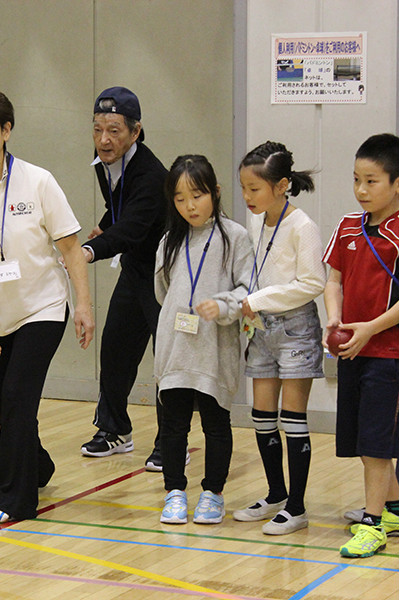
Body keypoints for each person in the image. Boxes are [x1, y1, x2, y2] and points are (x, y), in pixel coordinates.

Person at [0, 87, 95, 523]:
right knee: (5, 406)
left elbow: (68, 247)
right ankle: (39, 465)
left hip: (45, 305)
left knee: (17, 395)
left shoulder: (38, 181)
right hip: (3, 314)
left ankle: (12, 499)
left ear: (6, 130)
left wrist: (82, 305)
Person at [232, 142, 326, 535]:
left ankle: (299, 507)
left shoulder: (302, 226)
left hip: (295, 328)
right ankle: (276, 494)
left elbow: (312, 283)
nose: (247, 197)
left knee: (293, 419)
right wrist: (245, 298)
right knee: (262, 416)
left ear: (282, 185)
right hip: (261, 326)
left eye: (255, 189)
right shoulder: (257, 222)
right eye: (244, 188)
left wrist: (257, 298)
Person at [323, 133, 399, 557]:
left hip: (389, 353)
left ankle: (373, 526)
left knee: (377, 444)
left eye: (372, 181)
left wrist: (370, 328)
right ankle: (396, 509)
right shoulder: (346, 227)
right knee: (363, 442)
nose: (361, 190)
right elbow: (333, 280)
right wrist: (335, 319)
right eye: (357, 179)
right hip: (350, 349)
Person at [153, 155, 252, 524]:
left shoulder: (235, 237)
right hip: (176, 345)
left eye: (197, 195)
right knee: (173, 425)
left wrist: (223, 306)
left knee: (215, 424)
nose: (189, 206)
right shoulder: (169, 240)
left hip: (216, 346)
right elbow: (163, 290)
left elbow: (247, 289)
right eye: (179, 199)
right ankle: (174, 491)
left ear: (216, 192)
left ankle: (213, 492)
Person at [78, 87, 171, 471]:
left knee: (167, 360)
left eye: (114, 130)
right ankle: (115, 429)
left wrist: (87, 251)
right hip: (135, 268)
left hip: (168, 273)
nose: (104, 139)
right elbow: (119, 210)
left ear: (135, 132)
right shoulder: (104, 165)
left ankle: (171, 440)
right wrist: (103, 227)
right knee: (115, 347)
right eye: (98, 128)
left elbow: (133, 225)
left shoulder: (151, 175)